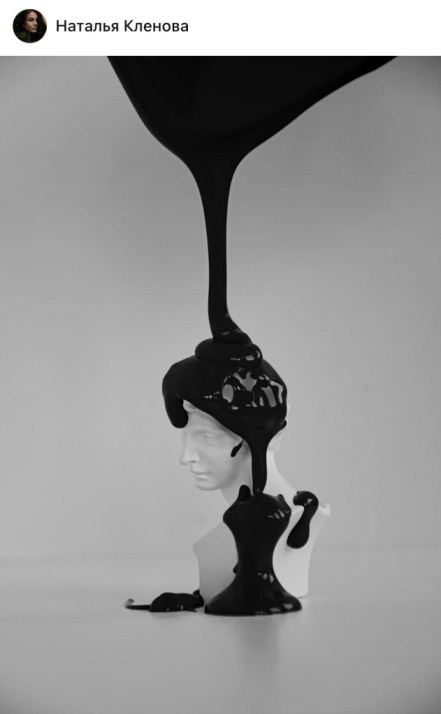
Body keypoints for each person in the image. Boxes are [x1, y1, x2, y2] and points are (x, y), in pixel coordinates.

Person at [125, 337, 330, 613]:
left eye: (208, 438)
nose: (186, 457)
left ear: (269, 435)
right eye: (186, 438)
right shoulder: (284, 518)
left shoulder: (295, 520)